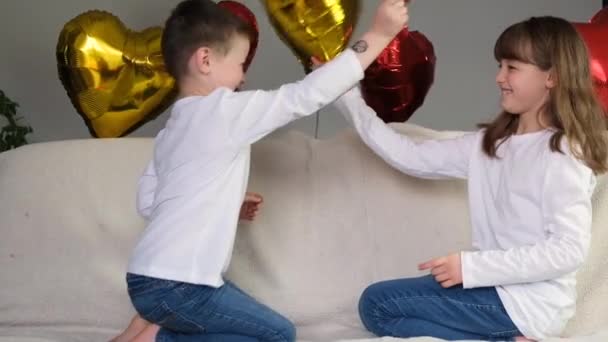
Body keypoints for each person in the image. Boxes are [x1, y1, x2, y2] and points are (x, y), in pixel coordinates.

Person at [112, 0, 409, 340]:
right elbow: (304, 96)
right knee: (277, 334)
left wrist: (223, 205)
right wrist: (379, 34)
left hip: (142, 281)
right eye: (239, 63)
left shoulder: (170, 132)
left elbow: (149, 201)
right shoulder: (222, 111)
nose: (244, 76)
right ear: (206, 60)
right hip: (181, 285)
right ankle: (156, 338)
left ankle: (147, 331)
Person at [330, 16, 608, 341]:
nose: (499, 77)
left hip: (528, 306)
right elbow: (407, 155)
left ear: (552, 77)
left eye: (512, 67)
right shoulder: (489, 145)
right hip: (494, 292)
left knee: (377, 305)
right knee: (376, 305)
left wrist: (470, 268)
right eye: (500, 65)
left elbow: (567, 250)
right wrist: (346, 95)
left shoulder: (563, 153)